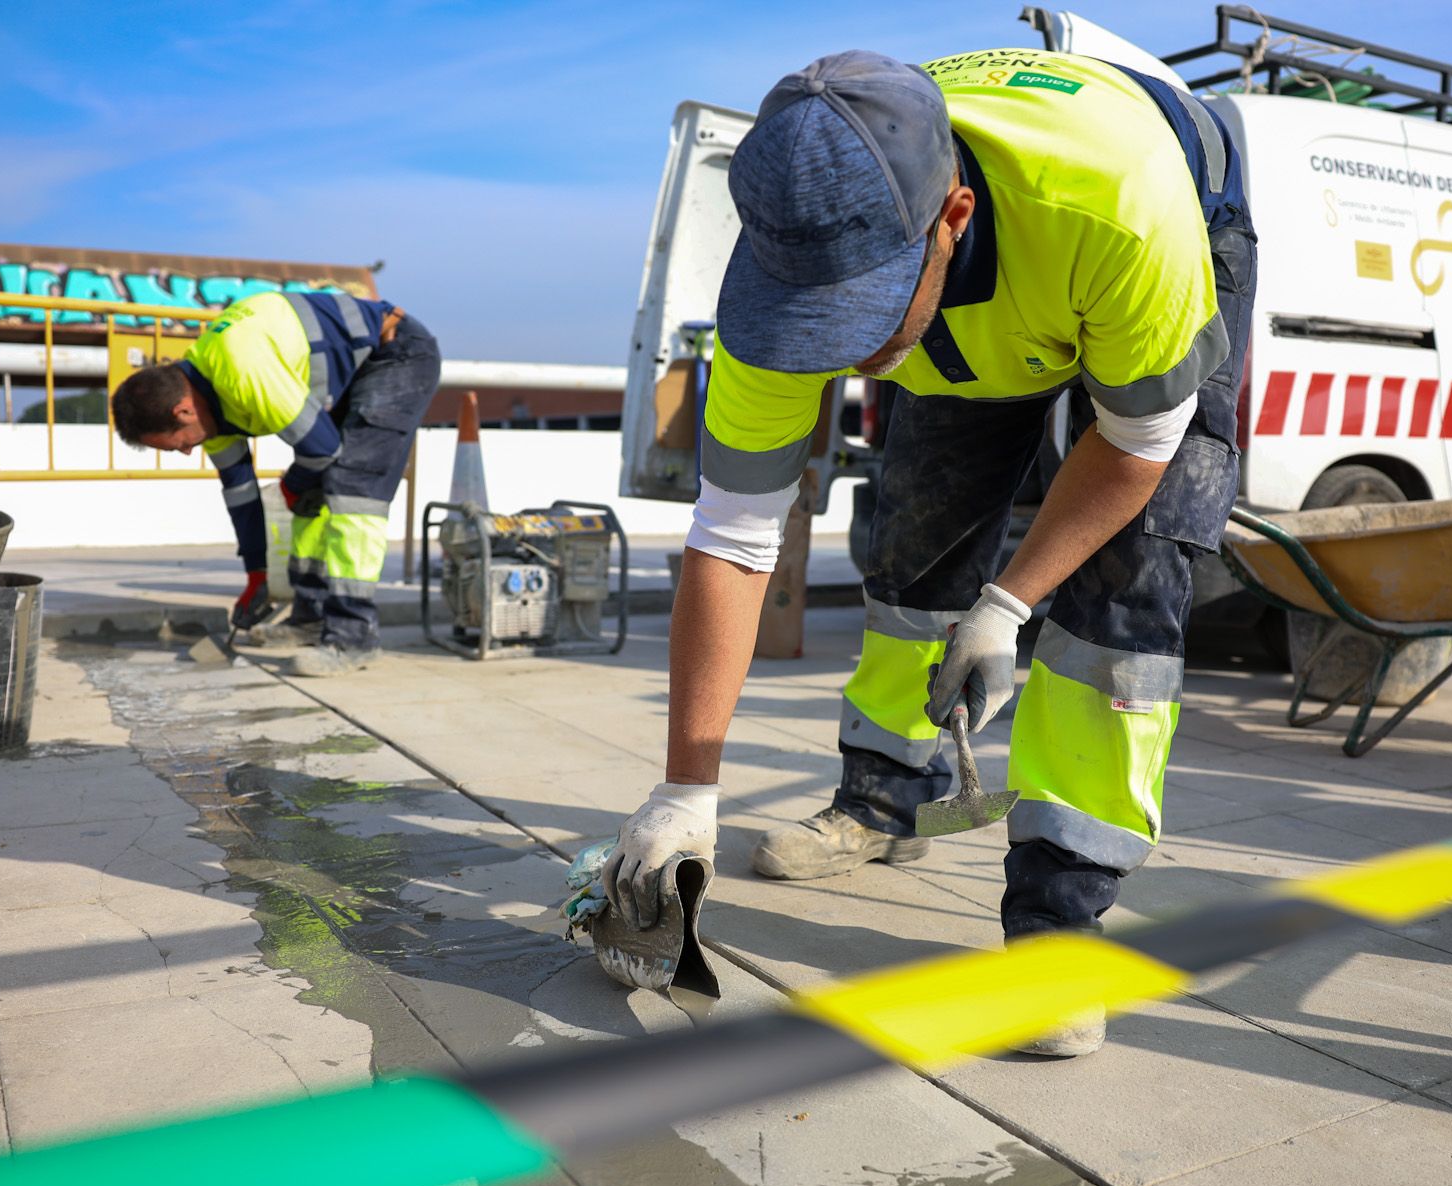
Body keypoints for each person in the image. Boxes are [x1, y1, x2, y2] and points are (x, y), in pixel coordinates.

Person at [602, 48, 1256, 1056]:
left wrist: (1008, 605)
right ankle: (880, 803)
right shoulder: (791, 252)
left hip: (1154, 218)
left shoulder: (1121, 215)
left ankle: (1058, 927)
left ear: (951, 219)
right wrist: (685, 789)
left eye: (861, 315)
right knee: (913, 543)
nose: (847, 352)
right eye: (818, 323)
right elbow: (731, 536)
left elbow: (1134, 447)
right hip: (991, 261)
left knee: (1125, 591)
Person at [111, 289, 441, 676]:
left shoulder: (243, 369)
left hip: (395, 353)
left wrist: (291, 485)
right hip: (353, 370)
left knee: (353, 490)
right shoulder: (202, 399)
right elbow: (241, 496)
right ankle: (310, 618)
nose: (185, 452)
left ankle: (354, 638)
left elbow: (322, 449)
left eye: (177, 445)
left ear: (183, 411)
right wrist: (257, 576)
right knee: (310, 496)